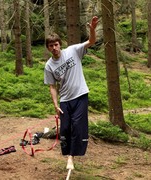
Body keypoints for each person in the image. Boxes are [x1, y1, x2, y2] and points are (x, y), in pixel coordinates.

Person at [44, 16, 98, 170]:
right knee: (66, 129)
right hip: (65, 100)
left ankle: (71, 158)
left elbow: (91, 42)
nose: (54, 48)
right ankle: (67, 153)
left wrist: (92, 30)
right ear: (48, 48)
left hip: (80, 95)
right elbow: (52, 86)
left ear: (60, 44)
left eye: (56, 44)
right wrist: (55, 104)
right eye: (50, 46)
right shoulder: (49, 66)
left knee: (77, 127)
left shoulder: (73, 51)